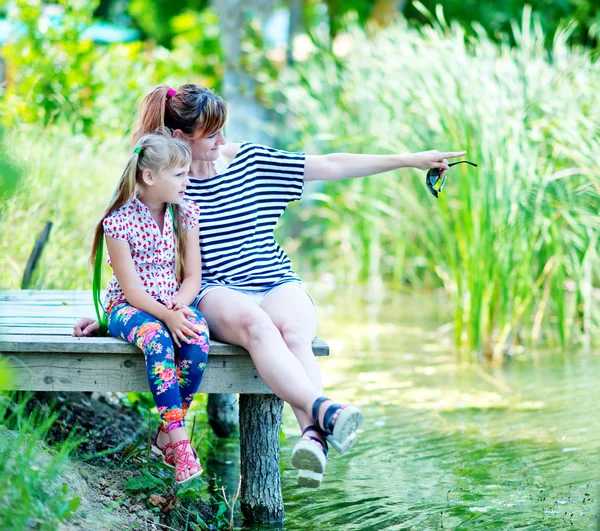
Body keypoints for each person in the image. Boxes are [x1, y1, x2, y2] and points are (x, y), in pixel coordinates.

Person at [75, 83, 466, 488]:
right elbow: (136, 251)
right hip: (215, 289)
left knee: (295, 331)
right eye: (211, 135)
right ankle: (324, 410)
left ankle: (314, 438)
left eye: (222, 130)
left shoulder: (251, 161)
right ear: (179, 137)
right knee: (258, 326)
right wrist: (110, 318)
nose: (222, 141)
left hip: (274, 278)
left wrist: (409, 160)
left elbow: (329, 165)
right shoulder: (166, 181)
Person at [89, 131, 210, 484]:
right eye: (180, 175)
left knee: (198, 336)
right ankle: (180, 442)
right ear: (149, 177)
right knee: (157, 339)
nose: (187, 182)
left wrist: (180, 307)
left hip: (170, 302)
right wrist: (166, 315)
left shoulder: (184, 214)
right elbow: (132, 291)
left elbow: (193, 277)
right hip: (129, 307)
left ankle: (163, 436)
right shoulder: (118, 223)